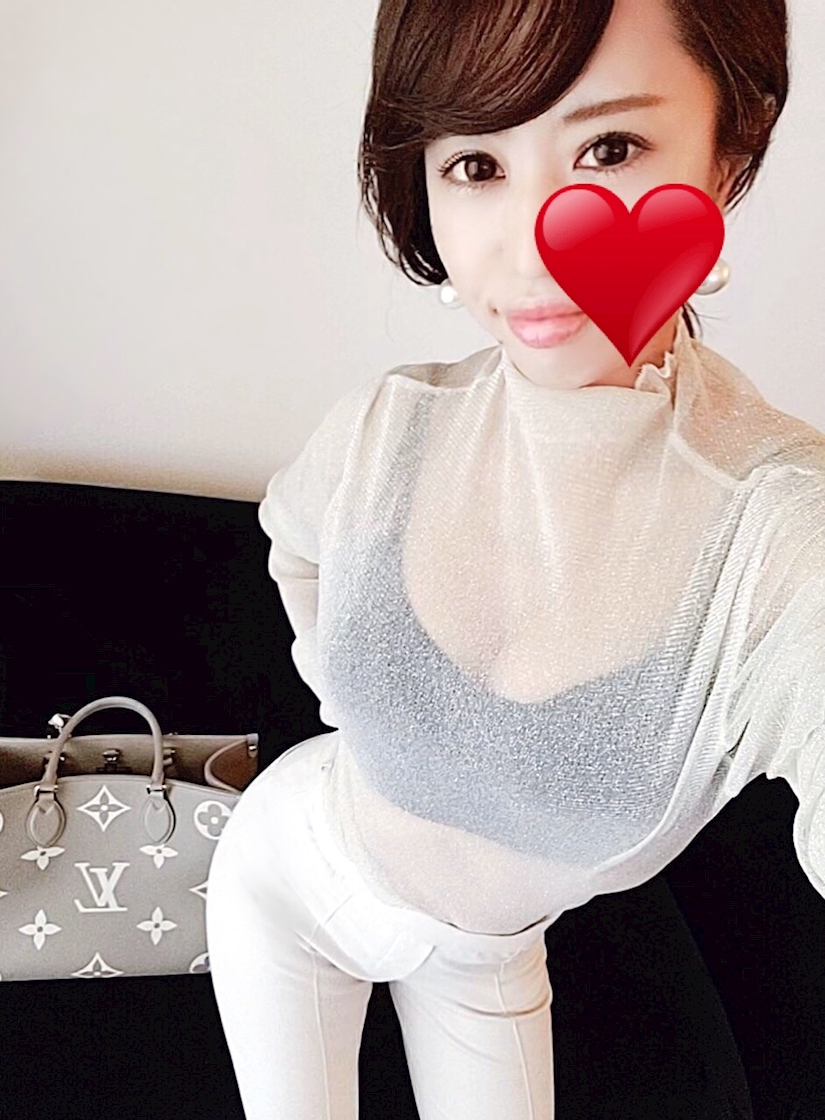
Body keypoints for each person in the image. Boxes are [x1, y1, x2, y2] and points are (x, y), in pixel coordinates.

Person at [206, 1, 822, 1117]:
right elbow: (292, 542)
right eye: (477, 164)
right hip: (285, 889)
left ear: (729, 149)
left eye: (610, 148)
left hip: (484, 960)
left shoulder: (773, 524)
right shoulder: (387, 428)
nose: (539, 239)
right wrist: (365, 711)